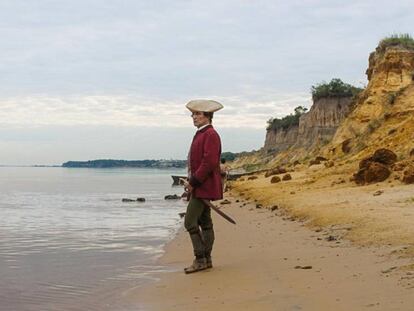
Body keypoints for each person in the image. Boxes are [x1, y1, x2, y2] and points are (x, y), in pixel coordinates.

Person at [181, 99, 223, 274]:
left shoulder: (211, 134)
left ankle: (201, 259)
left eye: (198, 114)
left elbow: (209, 162)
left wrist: (193, 182)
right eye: (193, 114)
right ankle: (206, 260)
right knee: (205, 222)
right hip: (200, 186)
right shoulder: (201, 133)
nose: (194, 117)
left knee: (190, 222)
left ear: (208, 116)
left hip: (203, 186)